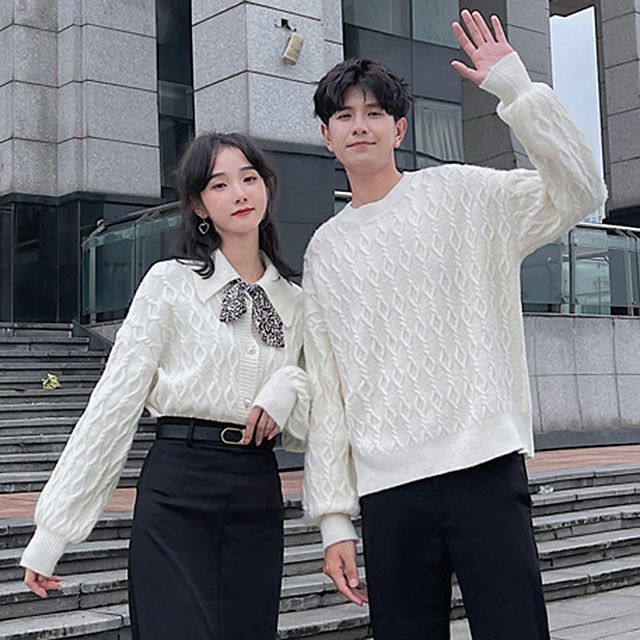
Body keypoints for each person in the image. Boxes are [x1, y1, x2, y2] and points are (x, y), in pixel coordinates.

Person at [302, 10, 607, 640]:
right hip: (389, 488)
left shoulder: (464, 196)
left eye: (374, 113)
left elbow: (581, 189)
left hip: (483, 466)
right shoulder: (325, 250)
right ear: (327, 137)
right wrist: (334, 517)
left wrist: (518, 91)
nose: (360, 126)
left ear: (399, 127)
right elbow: (327, 387)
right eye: (344, 117)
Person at [20, 132, 310, 640]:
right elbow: (115, 402)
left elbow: (315, 421)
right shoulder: (169, 283)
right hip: (178, 484)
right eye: (220, 184)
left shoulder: (296, 302)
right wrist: (54, 530)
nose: (240, 193)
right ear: (199, 203)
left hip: (255, 490)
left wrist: (290, 385)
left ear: (267, 188)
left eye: (249, 178)